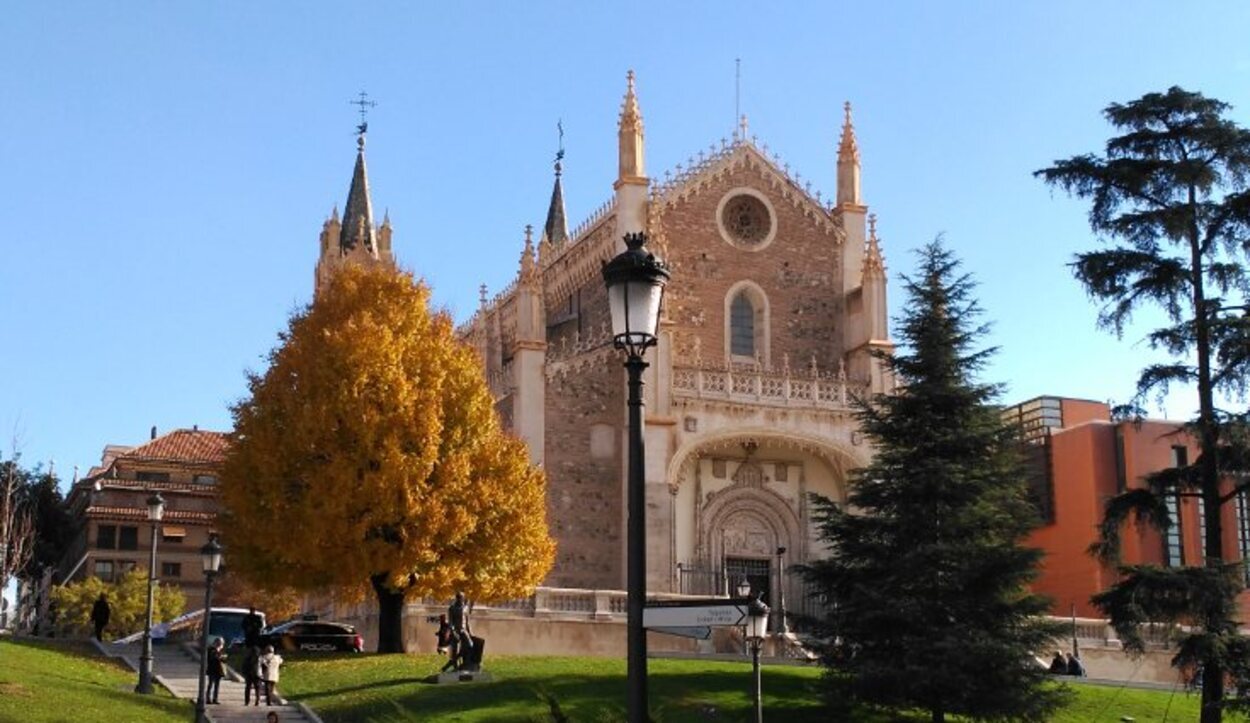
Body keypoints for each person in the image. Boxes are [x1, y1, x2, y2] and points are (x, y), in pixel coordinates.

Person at [448, 592, 473, 671]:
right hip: (456, 630)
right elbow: (450, 621)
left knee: (470, 645)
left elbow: (467, 621)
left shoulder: (465, 608)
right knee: (454, 650)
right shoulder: (452, 608)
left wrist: (469, 631)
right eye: (459, 597)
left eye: (462, 597)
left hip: (464, 630)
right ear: (457, 598)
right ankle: (455, 665)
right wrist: (453, 631)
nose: (461, 599)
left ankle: (464, 662)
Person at [205, 637, 226, 704]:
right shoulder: (212, 649)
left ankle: (215, 698)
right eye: (220, 643)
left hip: (218, 670)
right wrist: (220, 656)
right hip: (212, 669)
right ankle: (208, 698)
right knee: (210, 684)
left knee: (217, 685)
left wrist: (223, 657)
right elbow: (213, 658)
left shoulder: (220, 650)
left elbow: (223, 660)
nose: (221, 645)